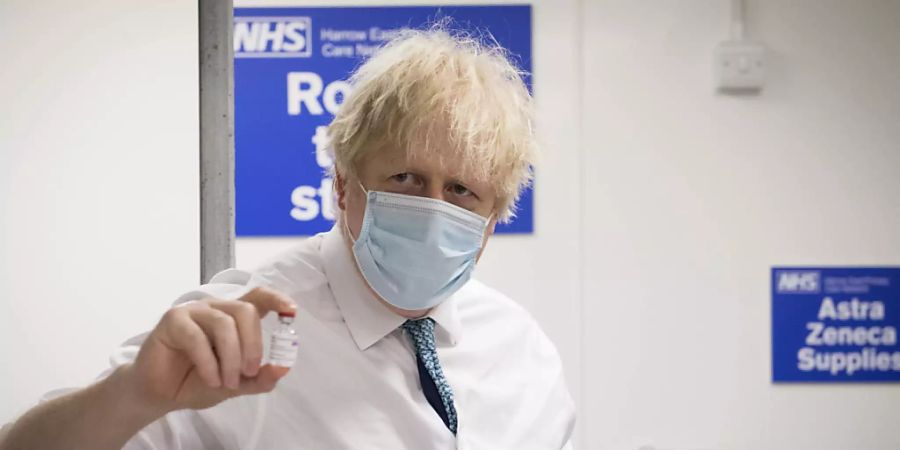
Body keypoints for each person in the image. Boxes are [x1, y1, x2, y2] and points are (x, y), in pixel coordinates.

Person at [0, 27, 575, 449]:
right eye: (404, 178)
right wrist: (132, 394)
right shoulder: (229, 337)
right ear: (344, 188)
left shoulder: (523, 353)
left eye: (460, 192)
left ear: (492, 219)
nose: (431, 207)